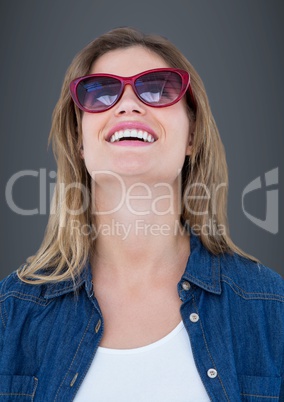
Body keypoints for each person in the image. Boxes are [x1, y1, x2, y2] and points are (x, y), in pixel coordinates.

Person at [0, 27, 283, 402]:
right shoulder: (11, 313)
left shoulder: (270, 308)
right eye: (100, 92)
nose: (128, 105)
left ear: (192, 135)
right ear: (79, 141)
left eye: (159, 88)